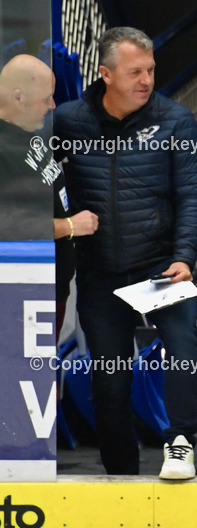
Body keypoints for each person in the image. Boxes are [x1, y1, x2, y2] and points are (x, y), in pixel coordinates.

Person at [54, 27, 197, 479]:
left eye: (151, 69)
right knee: (110, 380)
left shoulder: (176, 121)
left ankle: (180, 442)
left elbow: (192, 196)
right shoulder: (67, 122)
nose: (146, 79)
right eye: (135, 71)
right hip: (100, 271)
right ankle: (120, 475)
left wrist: (184, 257)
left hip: (159, 265)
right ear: (105, 74)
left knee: (184, 347)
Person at [0, 55, 97, 334]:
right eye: (46, 98)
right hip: (21, 294)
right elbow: (8, 224)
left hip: (53, 284)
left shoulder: (30, 129)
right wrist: (69, 226)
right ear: (18, 98)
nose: (52, 106)